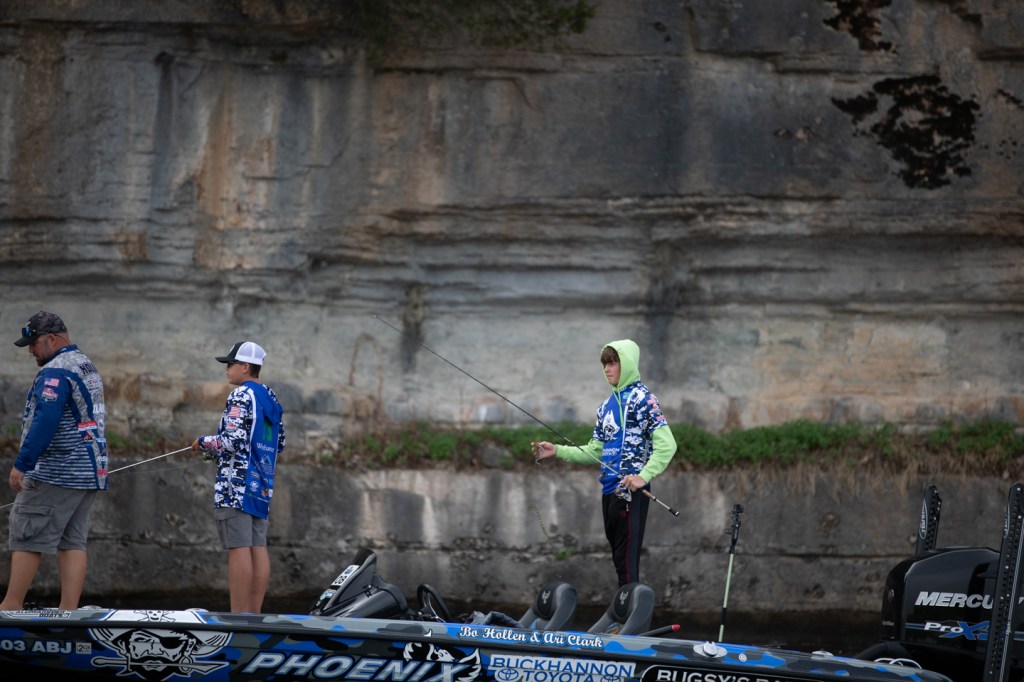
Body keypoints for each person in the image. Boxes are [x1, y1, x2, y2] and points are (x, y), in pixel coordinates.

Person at [532, 339, 676, 587]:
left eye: (613, 363)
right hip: (609, 491)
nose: (607, 369)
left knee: (627, 562)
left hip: (631, 492)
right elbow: (594, 450)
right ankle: (624, 607)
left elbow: (667, 444)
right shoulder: (605, 407)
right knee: (619, 561)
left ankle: (631, 609)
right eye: (604, 364)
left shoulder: (643, 399)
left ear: (626, 364)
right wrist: (558, 450)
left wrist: (643, 476)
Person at [1, 311, 108, 611]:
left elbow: (46, 420)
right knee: (72, 541)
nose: (30, 351)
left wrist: (23, 463)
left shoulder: (56, 372)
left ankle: (10, 607)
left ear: (52, 338)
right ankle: (68, 612)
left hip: (57, 471)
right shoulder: (85, 365)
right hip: (90, 471)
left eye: (34, 344)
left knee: (26, 530)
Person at [191, 340, 285, 613]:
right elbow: (279, 443)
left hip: (236, 485)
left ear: (245, 367)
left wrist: (203, 442)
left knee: (239, 547)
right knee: (258, 546)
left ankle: (238, 617)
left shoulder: (240, 395)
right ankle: (252, 616)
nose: (226, 369)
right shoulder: (270, 397)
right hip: (262, 484)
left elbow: (231, 441)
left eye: (230, 364)